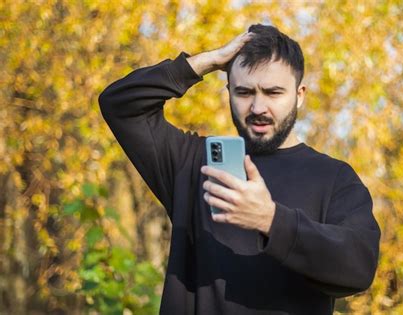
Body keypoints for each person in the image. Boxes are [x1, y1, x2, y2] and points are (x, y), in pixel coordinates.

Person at [98, 23, 381, 315]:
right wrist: (204, 62)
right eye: (244, 92)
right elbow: (120, 105)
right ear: (228, 91)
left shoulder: (334, 178)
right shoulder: (194, 164)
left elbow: (358, 268)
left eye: (273, 93)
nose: (258, 107)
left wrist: (270, 220)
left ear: (299, 95)